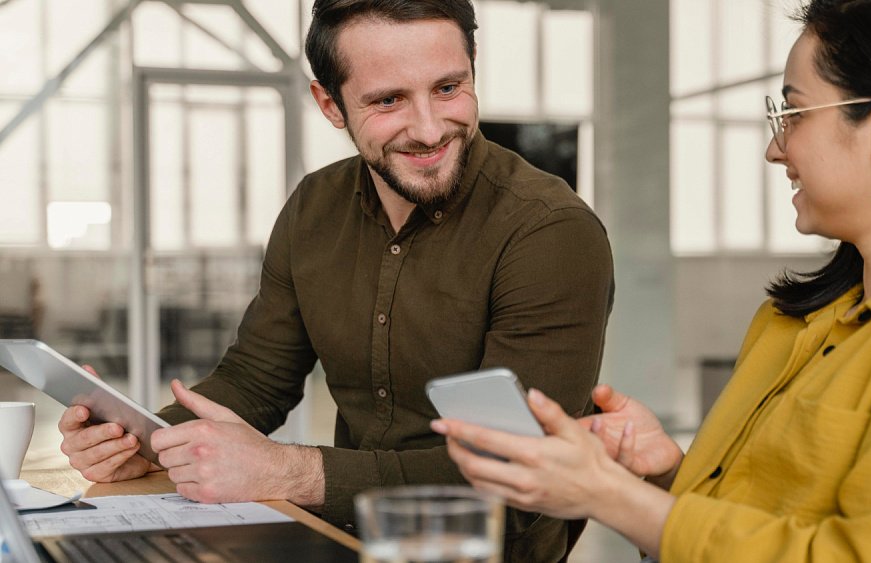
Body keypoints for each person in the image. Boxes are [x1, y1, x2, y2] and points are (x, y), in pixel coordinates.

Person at [433, 0, 871, 560]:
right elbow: (756, 526)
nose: (775, 149)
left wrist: (606, 494)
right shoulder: (788, 322)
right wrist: (667, 476)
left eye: (794, 114)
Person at [56, 1, 614, 560]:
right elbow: (255, 380)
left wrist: (288, 471)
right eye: (388, 100)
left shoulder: (549, 231)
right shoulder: (314, 207)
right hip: (338, 542)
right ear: (330, 104)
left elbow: (526, 473)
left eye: (448, 88)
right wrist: (142, 441)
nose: (429, 129)